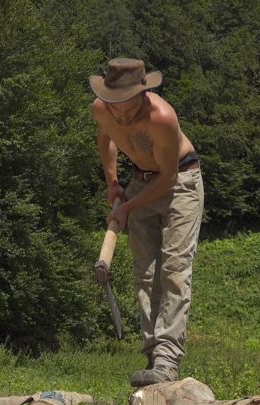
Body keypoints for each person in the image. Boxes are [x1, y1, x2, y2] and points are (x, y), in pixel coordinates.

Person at [90, 58, 204, 388]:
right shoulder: (102, 109)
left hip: (180, 182)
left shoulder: (162, 117)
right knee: (144, 273)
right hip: (141, 182)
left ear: (143, 93)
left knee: (174, 270)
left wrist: (127, 209)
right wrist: (113, 182)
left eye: (128, 107)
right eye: (115, 108)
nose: (122, 115)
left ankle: (168, 360)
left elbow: (167, 177)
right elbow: (106, 138)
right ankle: (153, 355)